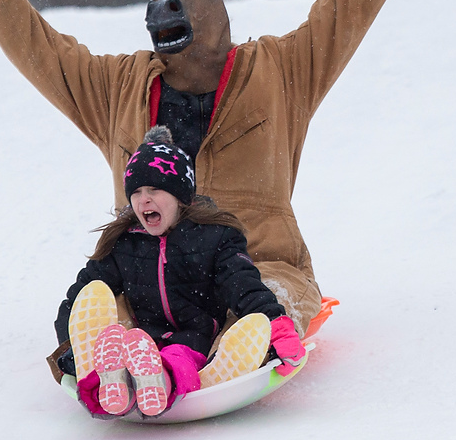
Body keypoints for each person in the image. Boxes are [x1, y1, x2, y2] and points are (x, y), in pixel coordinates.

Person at [0, 0, 431, 357]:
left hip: (257, 264)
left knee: (269, 301)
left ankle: (246, 343)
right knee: (104, 305)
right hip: (146, 276)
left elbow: (346, 8)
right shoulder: (118, 88)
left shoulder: (280, 72)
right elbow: (39, 50)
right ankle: (110, 349)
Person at [56, 126, 306, 417]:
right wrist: (67, 346)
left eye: (155, 189)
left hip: (193, 339)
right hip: (142, 338)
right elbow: (82, 299)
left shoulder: (215, 237)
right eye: (135, 192)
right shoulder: (124, 243)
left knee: (177, 360)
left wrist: (276, 324)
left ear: (180, 195)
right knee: (114, 328)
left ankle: (157, 380)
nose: (143, 200)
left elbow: (243, 284)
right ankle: (109, 380)